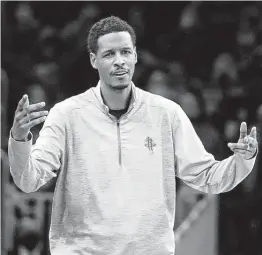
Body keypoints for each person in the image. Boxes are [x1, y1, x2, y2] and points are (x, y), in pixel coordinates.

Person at [8, 16, 258, 255]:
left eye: (125, 52)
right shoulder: (66, 115)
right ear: (94, 60)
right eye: (109, 54)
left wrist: (243, 160)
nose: (119, 61)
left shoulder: (166, 114)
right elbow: (29, 181)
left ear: (136, 56)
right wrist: (19, 140)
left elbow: (207, 177)